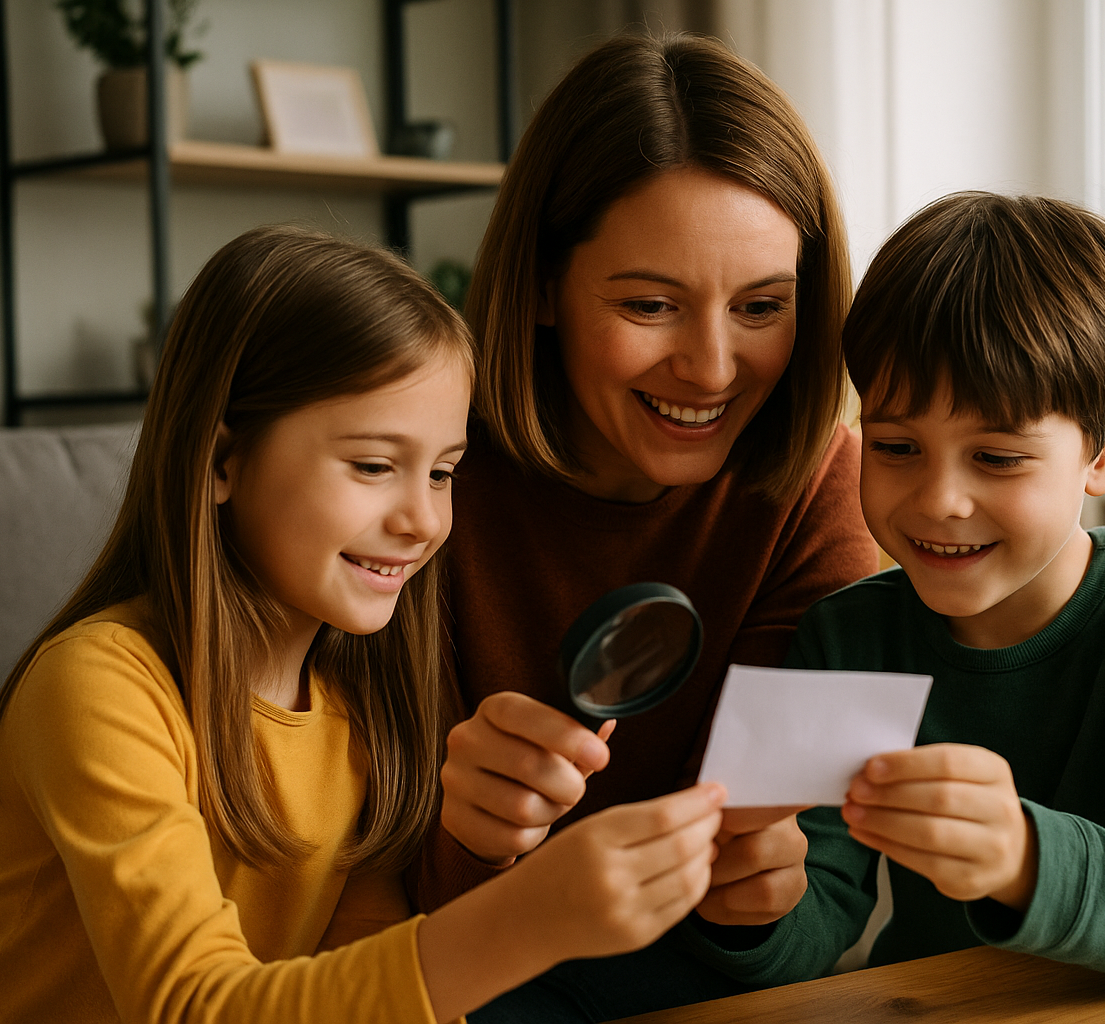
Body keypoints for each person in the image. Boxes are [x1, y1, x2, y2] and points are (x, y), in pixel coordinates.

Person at [0, 226, 730, 1024]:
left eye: (444, 472)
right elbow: (191, 1007)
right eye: (373, 465)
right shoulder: (100, 685)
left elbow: (359, 987)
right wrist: (528, 919)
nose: (423, 519)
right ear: (221, 461)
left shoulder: (361, 713)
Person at [412, 32, 878, 1022]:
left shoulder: (823, 488)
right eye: (652, 304)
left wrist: (761, 909)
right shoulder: (426, 476)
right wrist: (470, 842)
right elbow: (349, 900)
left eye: (762, 306)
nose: (711, 368)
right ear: (542, 287)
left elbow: (822, 908)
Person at [716, 192, 1105, 987]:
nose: (939, 498)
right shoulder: (845, 638)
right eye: (898, 445)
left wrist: (1022, 855)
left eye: (998, 457)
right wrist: (753, 910)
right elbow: (816, 915)